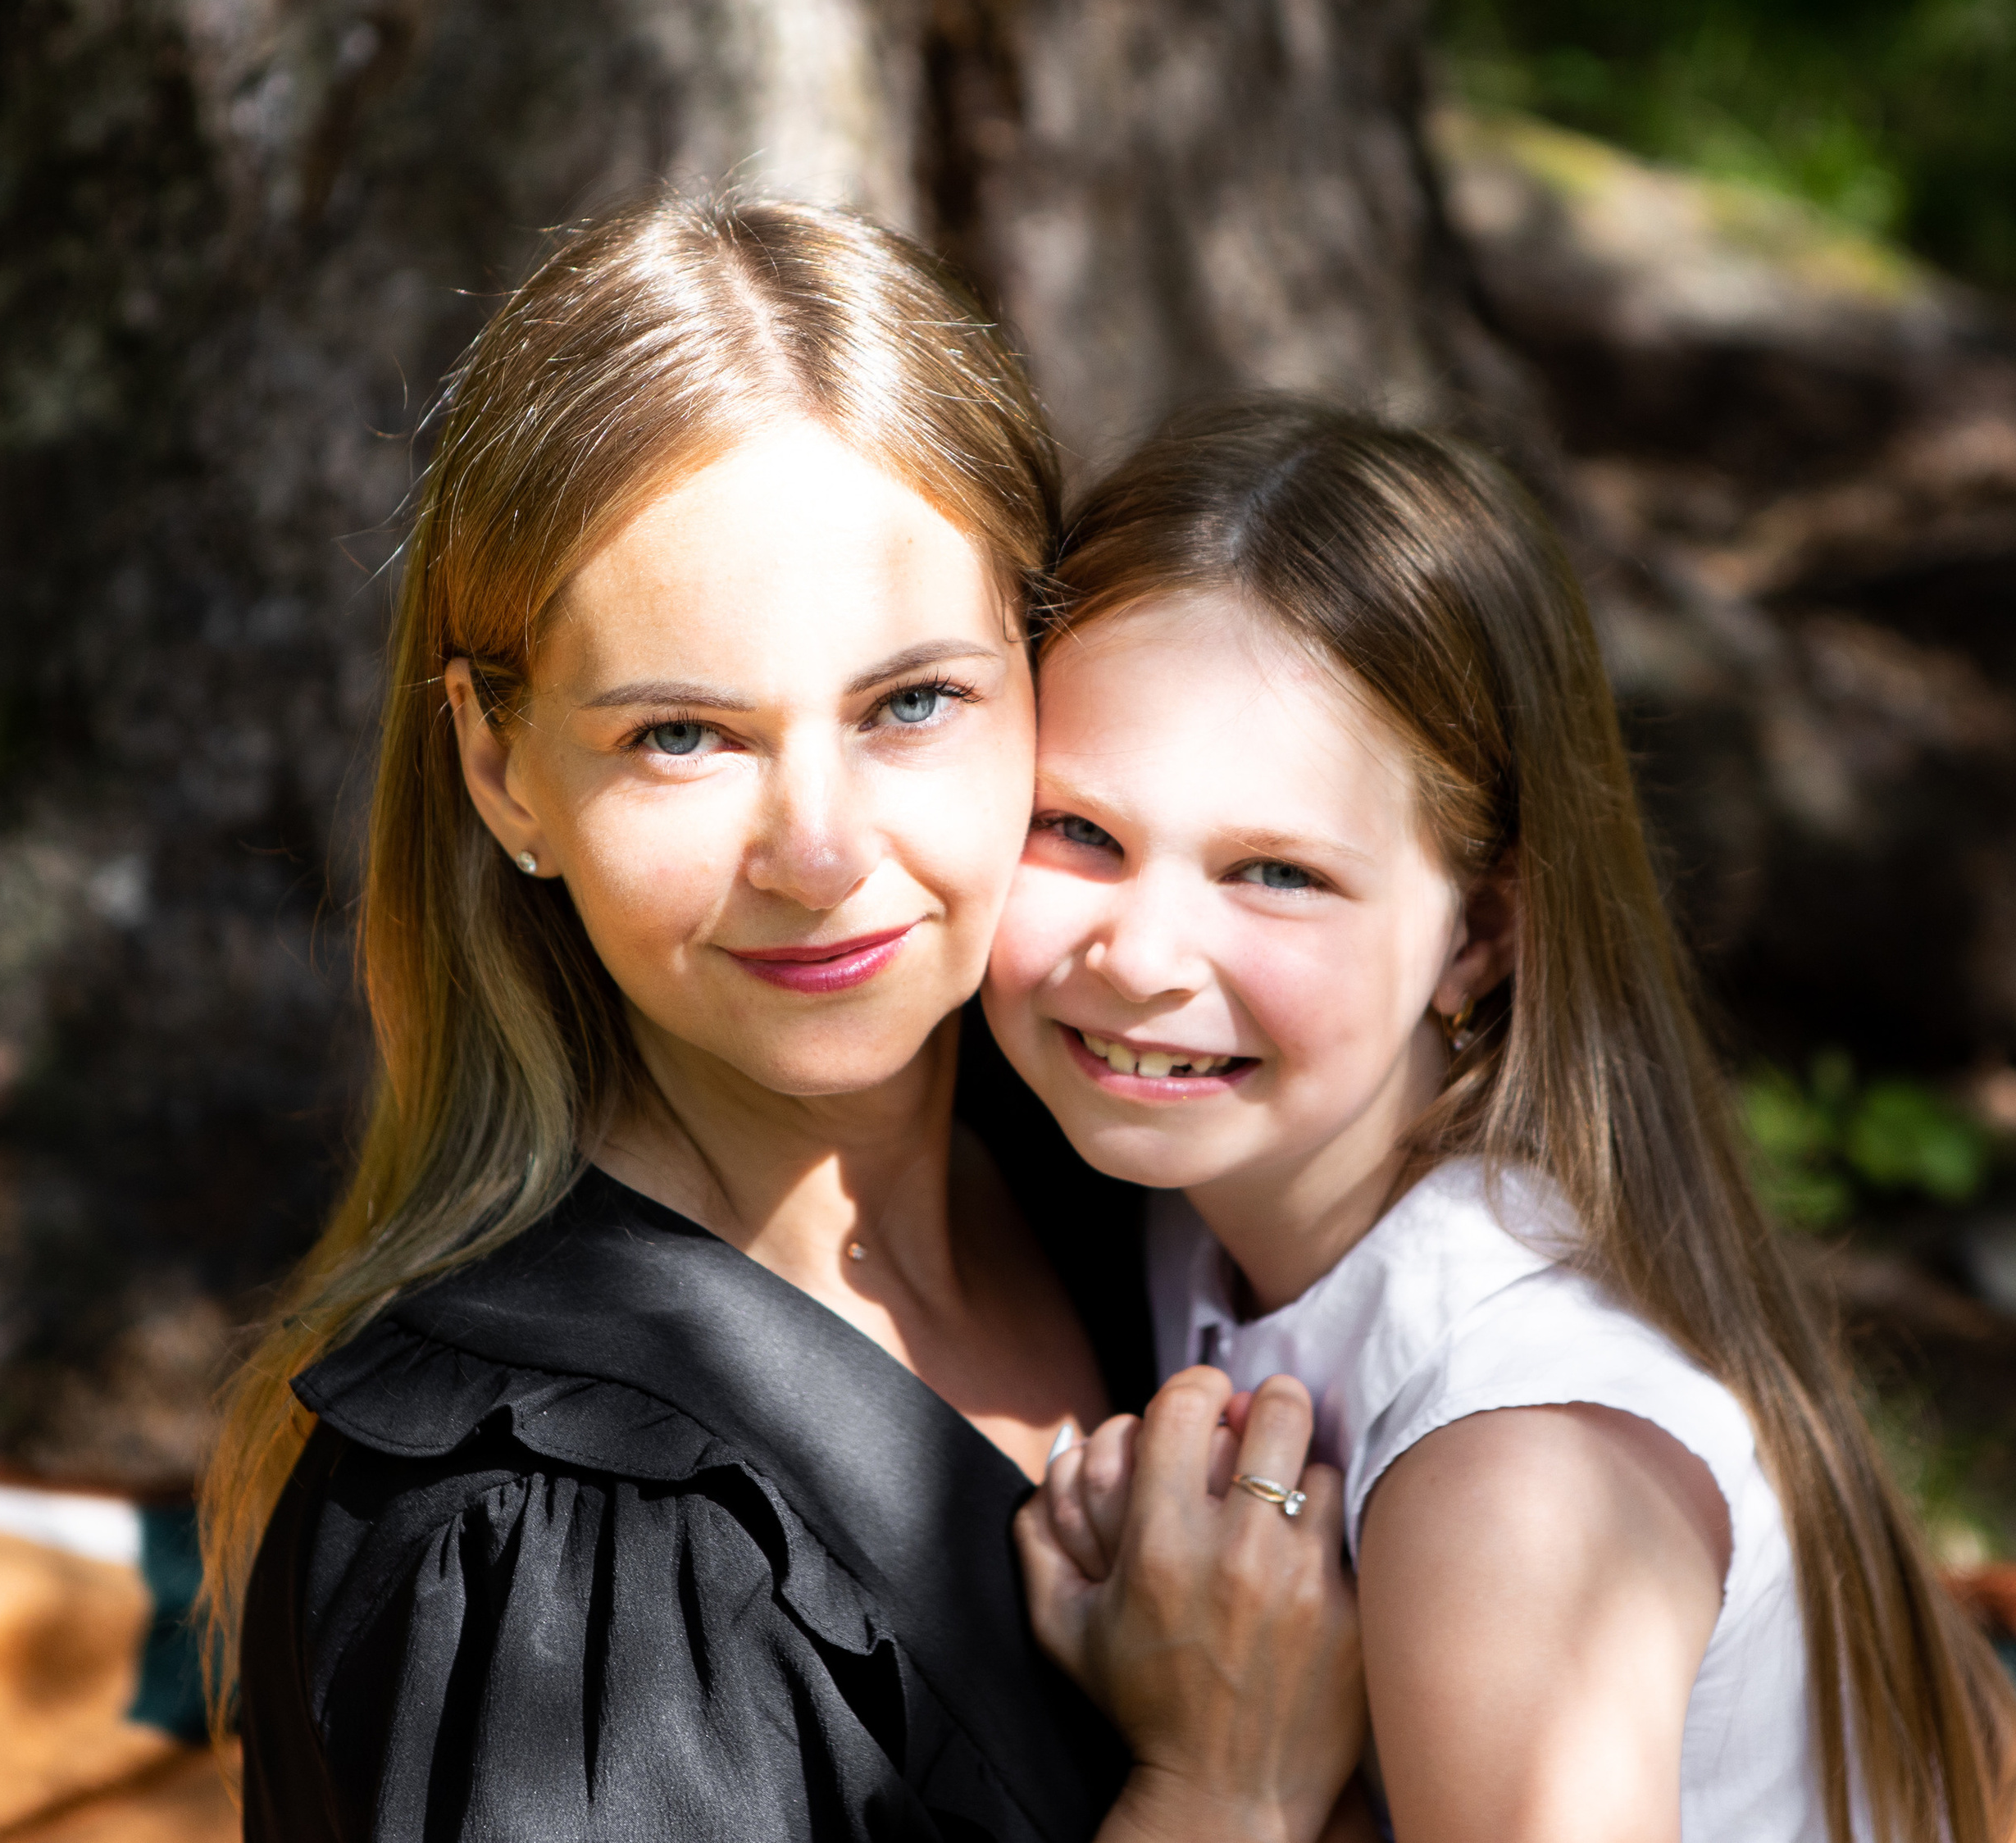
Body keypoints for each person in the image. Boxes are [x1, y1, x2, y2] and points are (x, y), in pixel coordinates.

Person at [198, 202, 1363, 1842]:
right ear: (501, 768)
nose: (818, 855)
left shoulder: (1124, 1176)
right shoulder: (555, 1563)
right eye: (682, 734)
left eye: (912, 702)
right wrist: (1225, 1790)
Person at [990, 398, 2016, 1843]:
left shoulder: (1517, 1472)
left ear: (1476, 935)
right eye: (1079, 831)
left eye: (1277, 873)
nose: (1144, 955)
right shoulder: (1222, 1180)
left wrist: (1223, 1782)